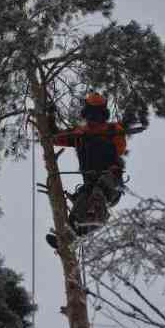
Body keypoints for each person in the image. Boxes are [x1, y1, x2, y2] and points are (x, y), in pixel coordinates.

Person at [46, 92, 127, 249]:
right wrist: (49, 117)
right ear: (87, 113)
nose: (94, 118)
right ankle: (67, 236)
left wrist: (101, 136)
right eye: (92, 114)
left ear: (102, 114)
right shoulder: (80, 134)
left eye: (97, 115)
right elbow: (54, 137)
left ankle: (84, 230)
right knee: (83, 198)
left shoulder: (113, 130)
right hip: (90, 182)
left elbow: (121, 147)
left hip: (111, 181)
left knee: (98, 193)